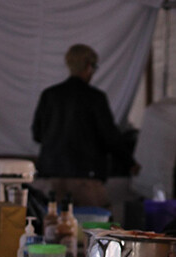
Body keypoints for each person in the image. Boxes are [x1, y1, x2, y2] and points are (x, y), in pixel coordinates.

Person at [31, 44, 138, 207]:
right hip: (86, 177)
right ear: (89, 67)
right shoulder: (95, 98)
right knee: (96, 226)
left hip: (52, 176)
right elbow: (110, 136)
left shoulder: (50, 95)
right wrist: (129, 163)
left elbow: (37, 134)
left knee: (56, 227)